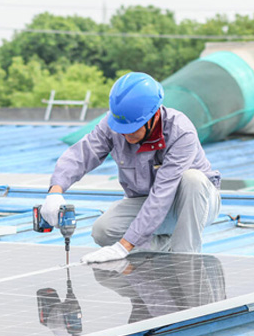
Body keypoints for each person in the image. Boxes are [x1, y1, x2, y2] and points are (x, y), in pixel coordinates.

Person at [40, 72, 222, 264]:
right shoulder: (116, 123)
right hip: (148, 202)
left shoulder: (180, 132)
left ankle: (185, 262)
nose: (125, 136)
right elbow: (82, 155)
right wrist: (55, 191)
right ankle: (164, 247)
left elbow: (162, 194)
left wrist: (124, 246)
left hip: (194, 203)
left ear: (155, 115)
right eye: (121, 129)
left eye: (132, 129)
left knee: (193, 179)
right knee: (103, 231)